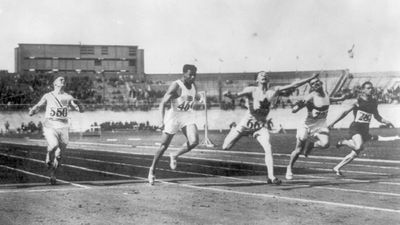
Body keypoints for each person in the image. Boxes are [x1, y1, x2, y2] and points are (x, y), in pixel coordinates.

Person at [222, 71, 319, 185]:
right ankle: (233, 128)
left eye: (265, 75)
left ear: (268, 80)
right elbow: (236, 95)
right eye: (261, 75)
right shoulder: (251, 90)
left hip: (260, 127)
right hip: (245, 125)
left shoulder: (274, 90)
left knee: (268, 147)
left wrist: (310, 78)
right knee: (225, 147)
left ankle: (271, 177)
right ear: (257, 80)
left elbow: (294, 85)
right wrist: (229, 94)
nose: (263, 76)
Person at [148, 64, 202, 185]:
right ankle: (152, 170)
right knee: (163, 146)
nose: (193, 77)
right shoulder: (176, 85)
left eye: (194, 75)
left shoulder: (193, 85)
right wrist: (161, 121)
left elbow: (192, 96)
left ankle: (174, 155)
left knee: (194, 141)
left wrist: (198, 97)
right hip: (174, 116)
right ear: (184, 74)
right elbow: (162, 103)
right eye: (190, 75)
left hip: (187, 115)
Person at [285, 76, 348, 180]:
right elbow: (294, 109)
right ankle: (289, 168)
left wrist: (341, 98)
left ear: (321, 83)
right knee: (298, 150)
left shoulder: (326, 94)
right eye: (313, 84)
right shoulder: (310, 96)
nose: (316, 84)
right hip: (307, 125)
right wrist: (298, 106)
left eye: (317, 82)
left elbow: (329, 100)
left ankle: (311, 145)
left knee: (325, 144)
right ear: (312, 87)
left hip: (320, 124)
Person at [328, 81, 394, 176]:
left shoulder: (374, 102)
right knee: (359, 146)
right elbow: (344, 113)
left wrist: (387, 121)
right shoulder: (357, 101)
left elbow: (377, 116)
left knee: (355, 153)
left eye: (371, 88)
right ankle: (344, 142)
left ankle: (337, 167)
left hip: (365, 130)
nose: (370, 90)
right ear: (363, 90)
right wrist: (333, 122)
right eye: (368, 88)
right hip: (356, 128)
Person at [29, 76, 83, 185]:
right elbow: (39, 105)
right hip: (50, 125)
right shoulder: (48, 96)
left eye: (64, 79)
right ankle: (49, 154)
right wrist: (32, 111)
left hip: (63, 126)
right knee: (53, 145)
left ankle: (53, 174)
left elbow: (76, 106)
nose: (63, 80)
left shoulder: (68, 97)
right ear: (55, 83)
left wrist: (80, 107)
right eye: (60, 79)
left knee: (59, 155)